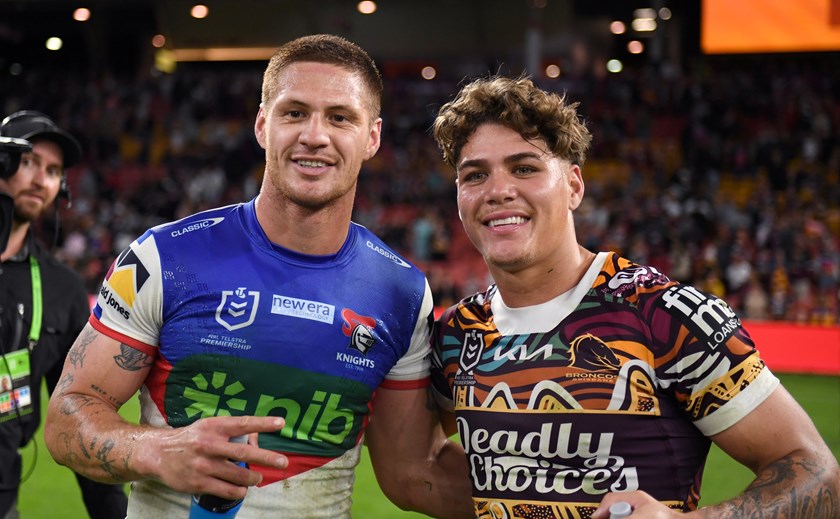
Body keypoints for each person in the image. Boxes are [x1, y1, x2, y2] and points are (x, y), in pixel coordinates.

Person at [43, 34, 472, 518]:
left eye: (340, 117)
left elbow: (413, 472)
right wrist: (159, 451)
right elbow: (65, 417)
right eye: (294, 113)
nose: (315, 134)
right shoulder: (164, 256)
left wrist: (558, 496)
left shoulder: (401, 292)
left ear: (372, 137)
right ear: (262, 125)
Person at [429, 75, 840, 518]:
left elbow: (817, 473)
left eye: (524, 168)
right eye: (475, 175)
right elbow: (417, 465)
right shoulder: (456, 333)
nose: (497, 191)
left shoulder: (666, 314)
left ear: (573, 186)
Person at [0, 111, 129, 518]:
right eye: (28, 162)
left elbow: (80, 417)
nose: (41, 180)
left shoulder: (62, 289)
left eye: (54, 170)